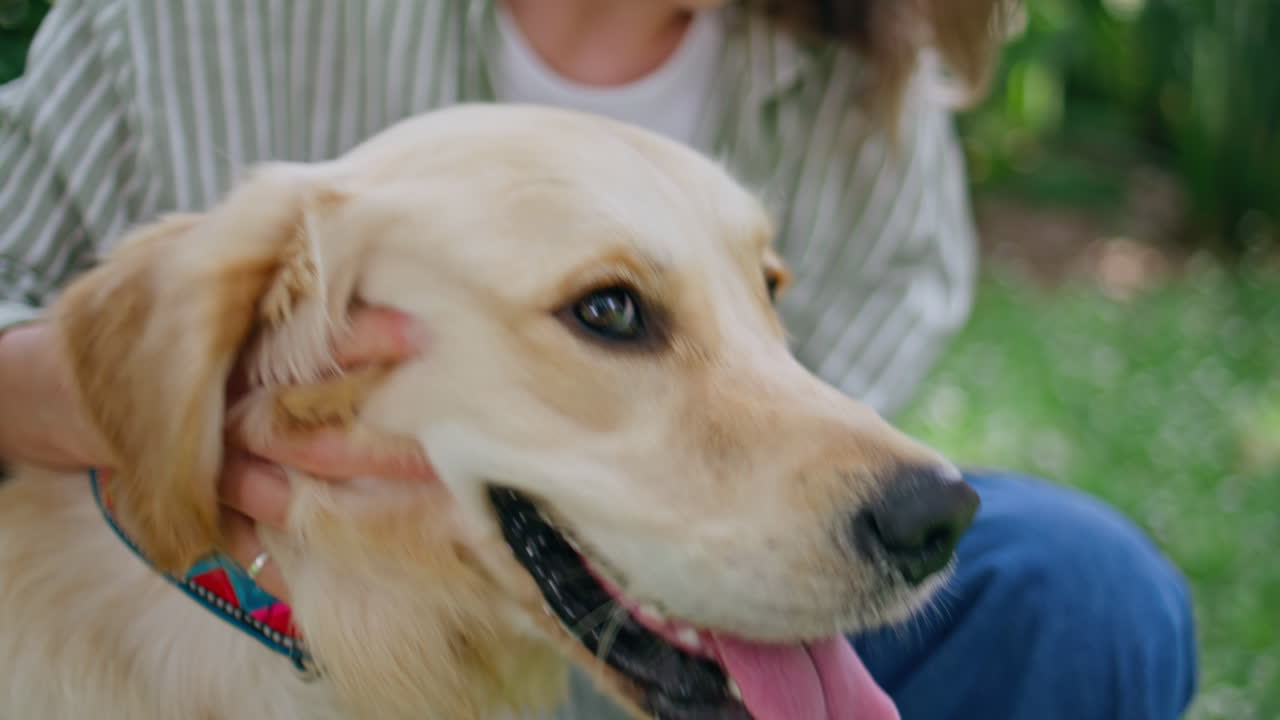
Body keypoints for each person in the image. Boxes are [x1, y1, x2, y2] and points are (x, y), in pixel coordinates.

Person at [0, 1, 1197, 718]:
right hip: (213, 633)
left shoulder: (864, 95)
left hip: (645, 628)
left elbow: (777, 445)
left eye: (762, 290)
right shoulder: (195, 22)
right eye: (613, 309)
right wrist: (87, 389)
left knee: (1075, 590)